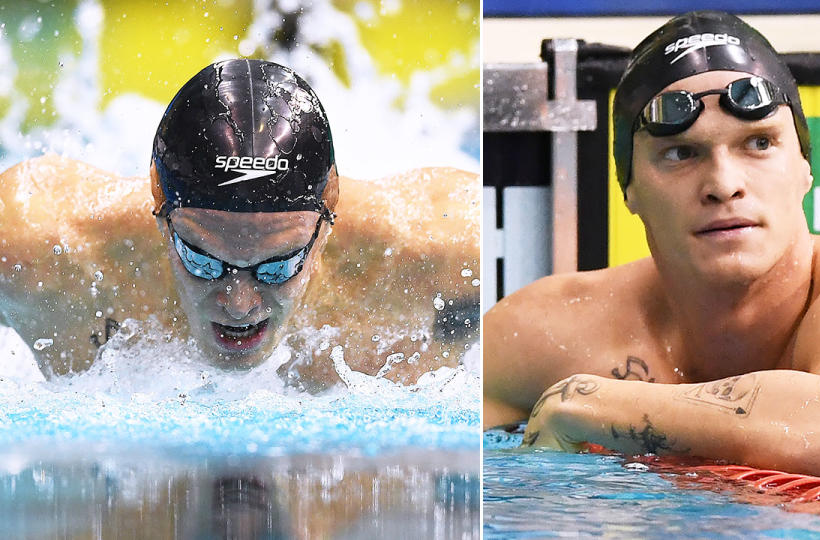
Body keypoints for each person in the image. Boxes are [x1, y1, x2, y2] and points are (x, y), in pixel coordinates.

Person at [483, 11, 820, 476]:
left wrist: (592, 403)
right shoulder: (550, 333)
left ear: (804, 168)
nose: (724, 184)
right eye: (680, 153)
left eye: (758, 144)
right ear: (629, 189)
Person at [0, 59, 479, 388]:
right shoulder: (40, 247)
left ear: (331, 203)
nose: (239, 304)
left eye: (277, 267)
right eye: (203, 261)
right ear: (157, 197)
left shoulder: (447, 258)